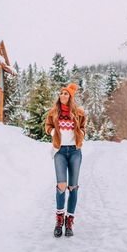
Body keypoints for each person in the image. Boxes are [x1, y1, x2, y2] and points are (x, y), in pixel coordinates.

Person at [45, 83, 87, 237]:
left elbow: (83, 128)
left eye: (66, 93)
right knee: (61, 186)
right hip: (59, 152)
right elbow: (47, 126)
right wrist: (52, 131)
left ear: (71, 97)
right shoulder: (53, 112)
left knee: (73, 187)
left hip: (75, 152)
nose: (62, 95)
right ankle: (59, 219)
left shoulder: (79, 113)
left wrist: (81, 133)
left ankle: (69, 221)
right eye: (61, 93)